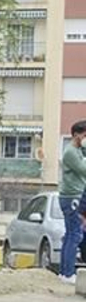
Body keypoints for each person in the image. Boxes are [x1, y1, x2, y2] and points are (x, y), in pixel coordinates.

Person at [58, 119, 86, 283]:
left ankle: (64, 272)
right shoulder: (70, 152)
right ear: (76, 134)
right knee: (75, 235)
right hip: (72, 197)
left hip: (75, 195)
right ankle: (68, 273)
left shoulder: (78, 151)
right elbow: (83, 170)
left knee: (71, 234)